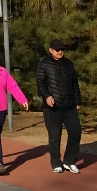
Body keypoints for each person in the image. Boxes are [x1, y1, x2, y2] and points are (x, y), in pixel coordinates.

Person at [35, 39, 82, 173]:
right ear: (50, 50)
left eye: (62, 49)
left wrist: (77, 101)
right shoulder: (44, 64)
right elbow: (40, 83)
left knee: (76, 131)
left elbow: (74, 83)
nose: (60, 52)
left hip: (69, 106)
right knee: (55, 136)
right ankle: (56, 162)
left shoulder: (69, 64)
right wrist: (47, 96)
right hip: (52, 108)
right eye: (57, 49)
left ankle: (69, 161)